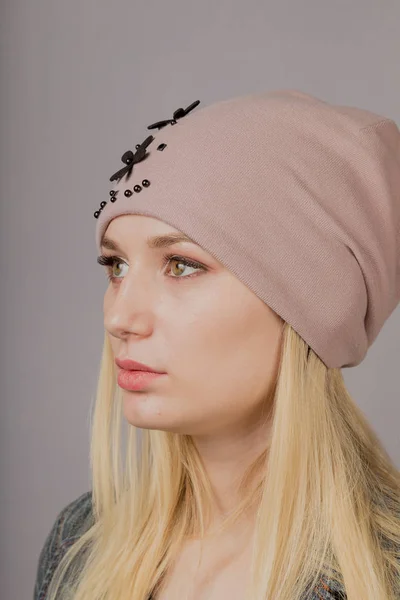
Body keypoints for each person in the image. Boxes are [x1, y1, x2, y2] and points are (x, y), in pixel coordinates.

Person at [34, 89, 400, 600]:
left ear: (311, 310)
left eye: (183, 265)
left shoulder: (384, 575)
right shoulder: (81, 542)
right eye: (116, 265)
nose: (119, 317)